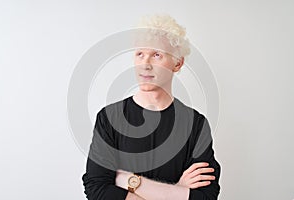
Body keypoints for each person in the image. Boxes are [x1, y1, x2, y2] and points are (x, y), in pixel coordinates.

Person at [82, 14, 221, 200]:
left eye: (156, 55)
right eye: (140, 54)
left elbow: (206, 196)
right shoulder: (109, 117)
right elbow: (97, 190)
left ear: (177, 63)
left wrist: (131, 181)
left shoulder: (196, 124)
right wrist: (178, 191)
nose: (145, 64)